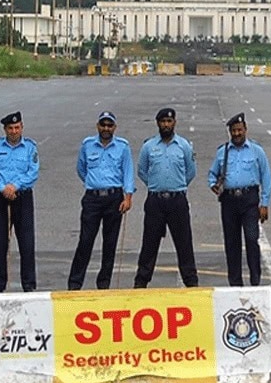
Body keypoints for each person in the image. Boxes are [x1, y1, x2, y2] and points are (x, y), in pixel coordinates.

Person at [68, 111, 135, 290]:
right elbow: (81, 169)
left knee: (110, 243)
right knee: (85, 241)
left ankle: (104, 283)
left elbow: (128, 172)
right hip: (93, 199)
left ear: (115, 127)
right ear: (98, 126)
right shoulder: (88, 145)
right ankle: (75, 284)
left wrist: (128, 197)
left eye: (109, 125)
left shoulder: (122, 147)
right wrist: (93, 184)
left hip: (114, 199)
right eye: (103, 125)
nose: (106, 128)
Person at [134, 107, 198, 288]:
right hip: (155, 201)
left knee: (184, 243)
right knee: (149, 244)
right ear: (158, 123)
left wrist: (176, 186)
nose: (166, 125)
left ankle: (191, 283)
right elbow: (142, 171)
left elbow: (190, 171)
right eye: (163, 122)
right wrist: (156, 186)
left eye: (169, 121)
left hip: (177, 200)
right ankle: (141, 282)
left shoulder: (184, 146)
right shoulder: (149, 146)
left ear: (174, 123)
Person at [208, 112, 271, 286]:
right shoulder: (223, 152)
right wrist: (213, 184)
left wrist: (264, 203)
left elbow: (266, 177)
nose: (236, 134)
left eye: (239, 130)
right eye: (233, 131)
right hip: (229, 202)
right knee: (232, 243)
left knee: (252, 239)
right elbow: (212, 173)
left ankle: (255, 280)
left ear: (245, 130)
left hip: (249, 201)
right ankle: (235, 283)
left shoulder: (256, 151)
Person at [0, 111, 39, 299]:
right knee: (0, 243)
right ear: (5, 129)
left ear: (22, 127)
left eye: (17, 127)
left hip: (22, 197)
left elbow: (33, 172)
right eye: (10, 128)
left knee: (26, 243)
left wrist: (15, 186)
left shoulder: (30, 147)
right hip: (1, 198)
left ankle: (29, 285)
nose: (14, 131)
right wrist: (3, 188)